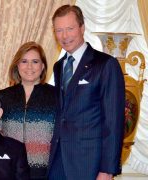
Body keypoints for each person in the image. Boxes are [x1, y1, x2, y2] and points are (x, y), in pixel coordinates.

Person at [48, 5, 125, 180]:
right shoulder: (59, 66)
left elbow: (113, 121)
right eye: (59, 30)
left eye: (70, 28)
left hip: (90, 164)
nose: (64, 36)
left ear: (82, 28)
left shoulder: (106, 64)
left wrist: (107, 170)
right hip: (58, 161)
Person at [0, 41, 57, 180]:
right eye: (24, 61)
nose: (29, 66)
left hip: (45, 173)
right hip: (9, 171)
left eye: (35, 61)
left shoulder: (56, 96)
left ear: (42, 66)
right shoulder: (3, 96)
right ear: (17, 65)